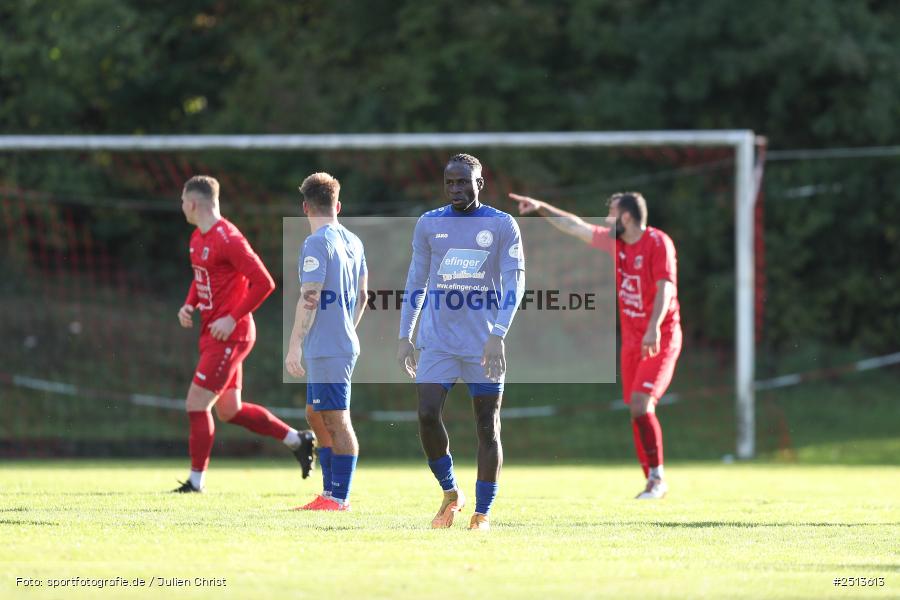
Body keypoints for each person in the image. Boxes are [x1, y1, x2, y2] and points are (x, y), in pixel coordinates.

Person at [510, 191, 681, 499]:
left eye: (612, 213)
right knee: (636, 410)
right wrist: (540, 207)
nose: (606, 220)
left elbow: (666, 287)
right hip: (632, 340)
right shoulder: (616, 242)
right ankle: (651, 481)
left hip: (660, 336)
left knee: (642, 403)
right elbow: (575, 226)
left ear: (626, 217)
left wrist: (653, 328)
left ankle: (657, 479)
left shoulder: (658, 243)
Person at [398, 154, 526, 530]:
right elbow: (415, 282)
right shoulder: (429, 224)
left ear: (480, 184)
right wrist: (405, 335)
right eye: (449, 182)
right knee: (426, 413)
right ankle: (450, 493)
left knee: (487, 426)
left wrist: (497, 336)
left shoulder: (502, 226)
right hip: (436, 341)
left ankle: (482, 512)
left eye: (463, 182)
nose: (455, 189)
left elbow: (514, 285)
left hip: (482, 344)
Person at [174, 175, 315, 493]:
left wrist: (231, 317)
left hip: (232, 335)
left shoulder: (229, 239)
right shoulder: (198, 237)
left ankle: (196, 482)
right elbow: (201, 278)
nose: (182, 207)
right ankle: (298, 439)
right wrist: (188, 305)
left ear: (194, 203)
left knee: (196, 404)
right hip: (213, 334)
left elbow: (264, 282)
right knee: (229, 410)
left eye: (183, 201)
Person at [285, 172, 367, 511]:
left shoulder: (316, 243)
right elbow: (363, 295)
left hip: (329, 346)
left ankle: (338, 498)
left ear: (305, 207)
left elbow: (310, 297)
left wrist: (293, 346)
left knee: (336, 418)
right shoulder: (354, 241)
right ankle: (329, 494)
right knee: (315, 413)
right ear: (338, 205)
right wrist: (348, 327)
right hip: (337, 342)